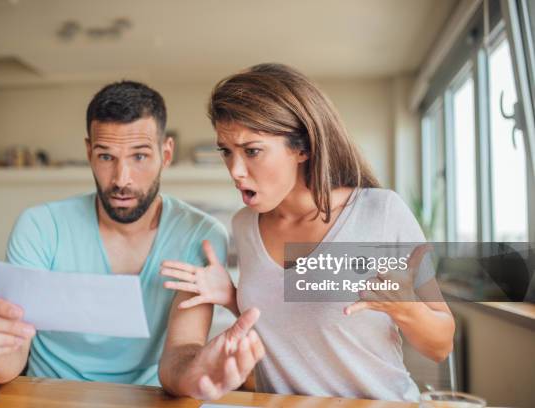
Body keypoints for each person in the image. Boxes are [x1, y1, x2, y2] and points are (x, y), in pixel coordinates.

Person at [159, 63, 455, 401]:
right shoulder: (245, 225)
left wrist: (406, 308)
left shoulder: (381, 212)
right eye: (226, 151)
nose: (236, 171)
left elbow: (441, 346)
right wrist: (231, 295)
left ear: (303, 148)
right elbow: (289, 330)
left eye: (252, 151)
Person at [0, 80, 259, 386]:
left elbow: (183, 348)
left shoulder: (200, 235)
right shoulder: (39, 227)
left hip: (146, 399)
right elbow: (8, 364)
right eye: (106, 156)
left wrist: (198, 372)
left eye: (139, 156)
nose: (122, 179)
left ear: (166, 154)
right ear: (89, 152)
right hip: (49, 394)